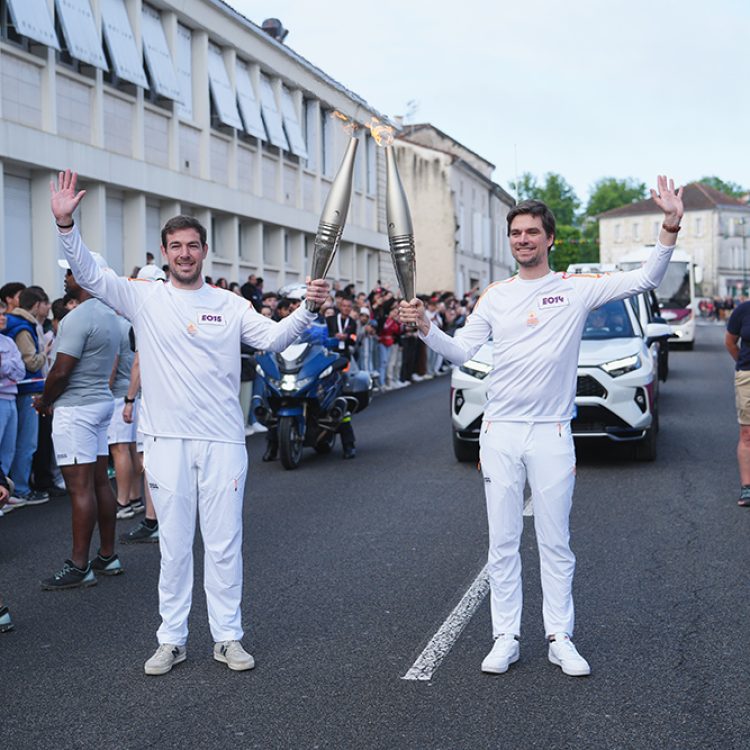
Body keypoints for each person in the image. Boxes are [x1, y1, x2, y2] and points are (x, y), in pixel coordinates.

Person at [400, 175, 684, 677]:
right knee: (503, 541)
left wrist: (669, 225)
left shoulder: (575, 290)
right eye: (516, 234)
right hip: (502, 431)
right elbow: (462, 351)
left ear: (550, 238)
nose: (523, 240)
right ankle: (505, 636)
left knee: (555, 540)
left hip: (552, 431)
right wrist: (427, 328)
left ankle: (559, 636)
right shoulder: (495, 296)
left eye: (532, 232)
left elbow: (644, 279)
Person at [51, 169, 328, 675]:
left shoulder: (230, 304)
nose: (184, 254)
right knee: (175, 546)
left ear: (204, 252)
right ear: (164, 252)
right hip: (166, 440)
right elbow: (90, 274)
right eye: (176, 246)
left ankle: (228, 638)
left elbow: (273, 339)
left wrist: (308, 310)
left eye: (193, 246)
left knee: (224, 545)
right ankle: (172, 639)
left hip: (222, 439)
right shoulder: (144, 297)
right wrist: (67, 225)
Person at [36, 253, 122, 589]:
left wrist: (45, 401)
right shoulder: (110, 315)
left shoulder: (77, 317)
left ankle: (79, 565)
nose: (67, 277)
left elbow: (60, 371)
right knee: (101, 482)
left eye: (71, 272)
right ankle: (107, 555)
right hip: (100, 403)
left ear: (87, 275)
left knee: (80, 488)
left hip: (76, 409)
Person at [3, 287, 50, 505]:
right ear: (36, 304)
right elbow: (29, 363)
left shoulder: (15, 332)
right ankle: (19, 488)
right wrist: (45, 354)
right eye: (45, 302)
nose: (48, 307)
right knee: (26, 443)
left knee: (14, 446)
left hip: (17, 392)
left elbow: (18, 368)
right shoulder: (23, 328)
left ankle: (13, 489)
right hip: (25, 393)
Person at [724, 301, 750, 507]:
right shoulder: (743, 310)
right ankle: (747, 488)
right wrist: (744, 366)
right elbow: (730, 342)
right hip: (747, 377)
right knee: (747, 434)